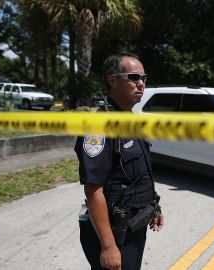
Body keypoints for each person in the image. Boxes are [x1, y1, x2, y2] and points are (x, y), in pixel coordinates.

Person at [75, 52, 164, 270]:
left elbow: (137, 174)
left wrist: (154, 206)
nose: (141, 83)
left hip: (135, 227)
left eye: (144, 78)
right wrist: (108, 247)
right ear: (112, 80)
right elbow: (93, 189)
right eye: (134, 77)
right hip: (115, 234)